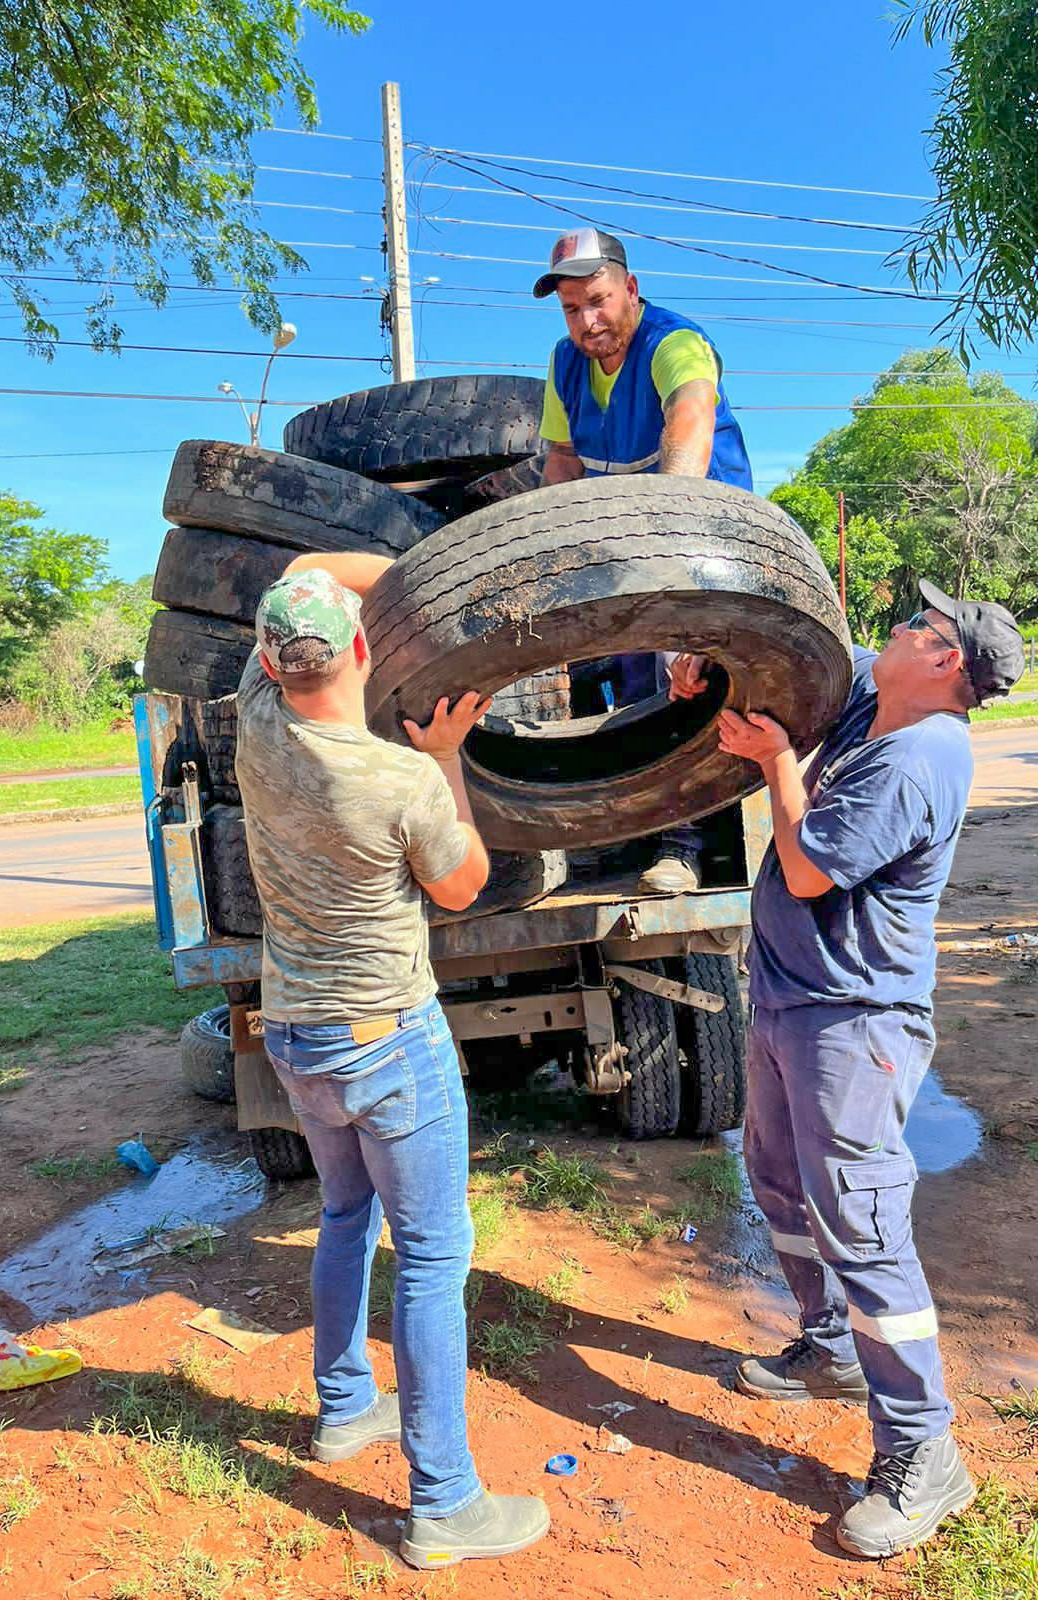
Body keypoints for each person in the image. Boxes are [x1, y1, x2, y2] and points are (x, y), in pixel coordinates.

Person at [670, 583, 1024, 1558]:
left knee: (863, 1224)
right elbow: (814, 657)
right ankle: (829, 1348)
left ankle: (923, 1451)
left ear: (948, 664)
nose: (903, 628)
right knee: (778, 1177)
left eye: (924, 627)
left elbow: (811, 868)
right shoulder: (884, 699)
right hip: (791, 999)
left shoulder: (920, 757)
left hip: (853, 1023)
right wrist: (708, 663)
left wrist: (781, 762)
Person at [232, 553, 550, 1571]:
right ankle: (445, 1501)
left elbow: (296, 574)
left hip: (297, 1036)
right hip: (386, 1040)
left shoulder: (255, 719)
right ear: (364, 649)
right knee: (430, 1257)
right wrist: (450, 751)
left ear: (273, 660)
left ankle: (341, 1410)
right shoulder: (404, 779)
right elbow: (464, 883)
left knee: (341, 1216)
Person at [534, 226, 754, 894]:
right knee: (621, 685)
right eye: (572, 309)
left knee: (676, 683)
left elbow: (688, 424)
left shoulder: (674, 342)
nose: (587, 321)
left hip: (704, 539)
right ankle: (626, 830)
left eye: (598, 301)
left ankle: (682, 848)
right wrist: (551, 555)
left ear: (630, 288)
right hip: (626, 546)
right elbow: (563, 462)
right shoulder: (565, 364)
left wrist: (667, 536)